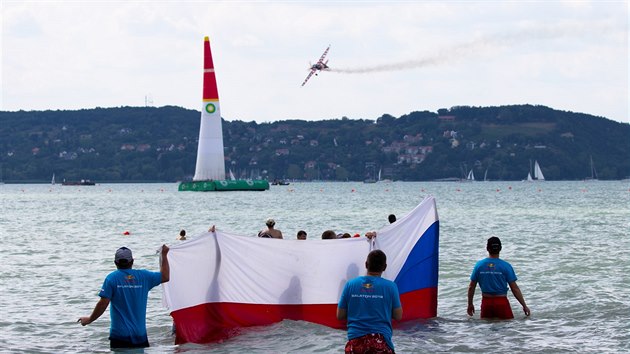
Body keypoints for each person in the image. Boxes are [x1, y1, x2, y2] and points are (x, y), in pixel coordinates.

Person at [78, 245, 170, 348]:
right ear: (132, 261)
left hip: (119, 336)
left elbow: (103, 304)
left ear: (115, 262)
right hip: (140, 336)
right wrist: (164, 255)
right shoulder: (144, 276)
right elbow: (165, 276)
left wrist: (89, 319)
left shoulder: (112, 278)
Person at [337, 249, 402, 354]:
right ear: (385, 267)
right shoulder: (391, 286)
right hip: (381, 341)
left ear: (366, 264)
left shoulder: (350, 284)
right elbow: (398, 316)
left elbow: (340, 315)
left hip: (355, 341)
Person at [467, 236, 530, 319]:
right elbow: (515, 289)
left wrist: (470, 304)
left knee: (486, 329)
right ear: (500, 248)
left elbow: (471, 287)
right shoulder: (506, 266)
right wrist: (524, 306)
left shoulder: (479, 265)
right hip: (502, 302)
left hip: (486, 302)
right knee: (507, 329)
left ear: (487, 248)